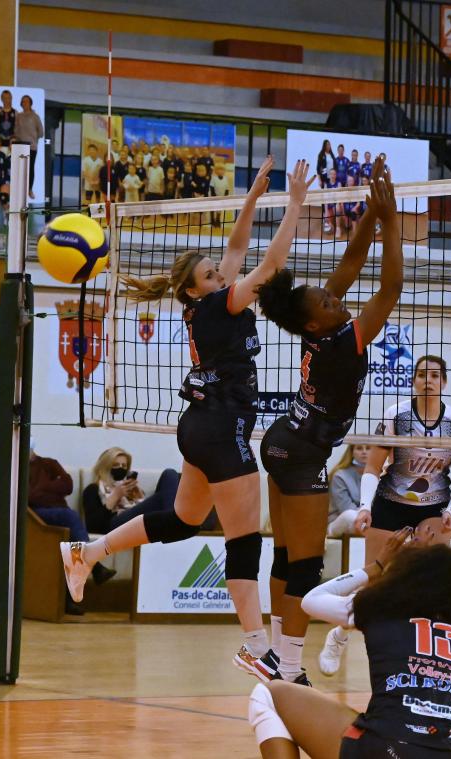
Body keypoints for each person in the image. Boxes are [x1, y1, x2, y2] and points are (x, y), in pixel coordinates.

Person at [60, 156, 309, 681]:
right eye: (211, 273)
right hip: (220, 429)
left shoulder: (207, 303)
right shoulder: (225, 305)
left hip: (200, 426)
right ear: (194, 289)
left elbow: (238, 248)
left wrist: (249, 200)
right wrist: (294, 206)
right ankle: (255, 645)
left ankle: (87, 551)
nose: (221, 272)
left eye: (218, 271)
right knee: (244, 540)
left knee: (181, 521)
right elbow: (269, 266)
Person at [255, 158, 402, 685]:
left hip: (284, 441)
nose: (335, 296)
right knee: (307, 567)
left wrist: (372, 208)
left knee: (286, 553)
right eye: (328, 299)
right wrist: (393, 223)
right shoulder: (343, 339)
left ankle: (274, 653)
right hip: (301, 452)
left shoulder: (320, 321)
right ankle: (290, 668)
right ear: (316, 320)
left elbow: (353, 256)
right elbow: (389, 288)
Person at [249, 531, 451, 759]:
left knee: (268, 694)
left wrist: (376, 565)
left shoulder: (380, 609)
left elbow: (311, 600)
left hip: (388, 749)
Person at [355, 354, 451, 549]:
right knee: (375, 574)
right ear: (413, 381)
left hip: (435, 507)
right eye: (422, 375)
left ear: (444, 382)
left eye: (435, 375)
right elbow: (373, 467)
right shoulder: (395, 414)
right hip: (390, 501)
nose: (428, 380)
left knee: (431, 576)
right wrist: (364, 507)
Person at [29, 450, 114, 610]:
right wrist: (51, 487)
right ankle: (95, 564)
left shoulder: (49, 463)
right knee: (71, 516)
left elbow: (68, 485)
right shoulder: (18, 467)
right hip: (34, 515)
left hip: (58, 512)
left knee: (73, 542)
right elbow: (30, 496)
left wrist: (42, 488)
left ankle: (68, 600)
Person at [80, 447, 183, 535]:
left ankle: (172, 521)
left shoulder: (128, 489)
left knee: (170, 474)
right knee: (161, 497)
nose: (120, 468)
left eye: (124, 466)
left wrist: (140, 498)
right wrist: (115, 496)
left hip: (138, 524)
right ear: (105, 467)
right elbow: (92, 526)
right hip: (114, 525)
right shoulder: (93, 489)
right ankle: (173, 523)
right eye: (116, 465)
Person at [327, 444, 370, 538]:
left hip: (367, 519)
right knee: (350, 516)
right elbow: (345, 508)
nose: (364, 452)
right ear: (351, 452)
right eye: (359, 448)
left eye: (368, 448)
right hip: (339, 521)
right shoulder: (340, 476)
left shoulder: (378, 477)